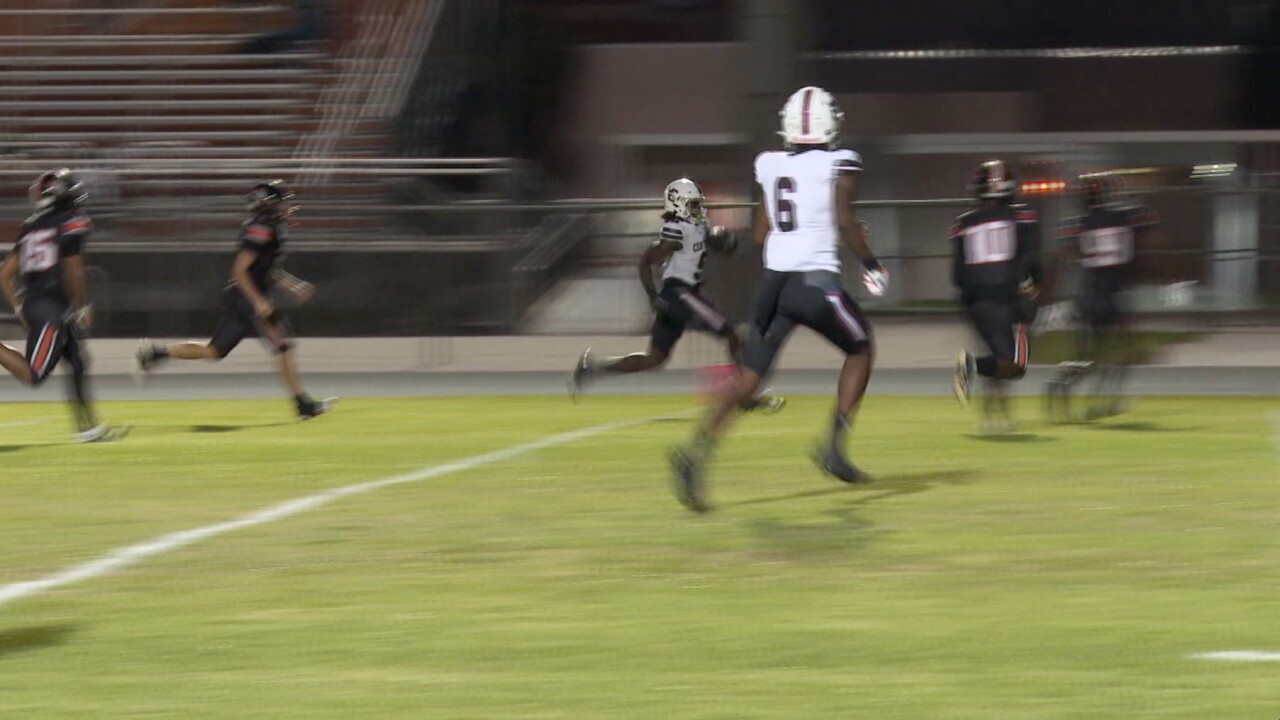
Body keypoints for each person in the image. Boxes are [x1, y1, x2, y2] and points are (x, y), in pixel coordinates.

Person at [668, 86, 889, 513]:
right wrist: (870, 261)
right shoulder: (839, 161)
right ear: (830, 124)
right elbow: (844, 219)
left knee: (750, 379)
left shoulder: (770, 165)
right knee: (861, 347)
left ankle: (695, 452)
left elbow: (758, 234)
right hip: (814, 281)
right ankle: (834, 447)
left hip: (774, 285)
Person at [569, 177, 783, 413]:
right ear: (678, 204)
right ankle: (745, 394)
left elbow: (704, 243)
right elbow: (647, 260)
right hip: (680, 293)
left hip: (679, 294)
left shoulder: (695, 226)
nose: (697, 207)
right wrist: (652, 295)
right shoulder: (677, 229)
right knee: (735, 334)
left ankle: (593, 368)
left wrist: (718, 240)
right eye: (692, 203)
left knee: (655, 358)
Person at [134, 180, 335, 420]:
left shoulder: (270, 228)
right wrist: (258, 301)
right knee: (283, 346)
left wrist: (294, 286)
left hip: (242, 297)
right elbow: (240, 270)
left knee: (214, 351)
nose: (286, 207)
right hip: (247, 298)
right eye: (281, 203)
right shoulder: (262, 228)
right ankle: (304, 406)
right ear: (267, 205)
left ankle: (156, 354)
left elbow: (269, 271)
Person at [0, 169, 124, 442]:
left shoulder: (32, 226)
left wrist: (20, 308)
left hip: (41, 303)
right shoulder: (70, 222)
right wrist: (82, 307)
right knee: (35, 374)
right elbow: (73, 271)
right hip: (52, 306)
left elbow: (5, 274)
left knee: (78, 362)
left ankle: (89, 429)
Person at [1045, 174, 1158, 422]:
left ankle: (1062, 385)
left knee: (1091, 357)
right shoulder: (1124, 217)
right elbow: (1145, 224)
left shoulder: (1080, 224)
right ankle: (1103, 400)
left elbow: (1064, 255)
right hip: (1113, 294)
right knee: (1122, 353)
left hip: (1088, 294)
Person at [950, 160, 1042, 432]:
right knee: (1016, 365)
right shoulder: (1022, 218)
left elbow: (956, 275)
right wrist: (1032, 289)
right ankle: (972, 366)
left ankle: (995, 418)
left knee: (999, 358)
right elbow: (1031, 261)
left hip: (975, 302)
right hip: (1007, 298)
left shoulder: (963, 224)